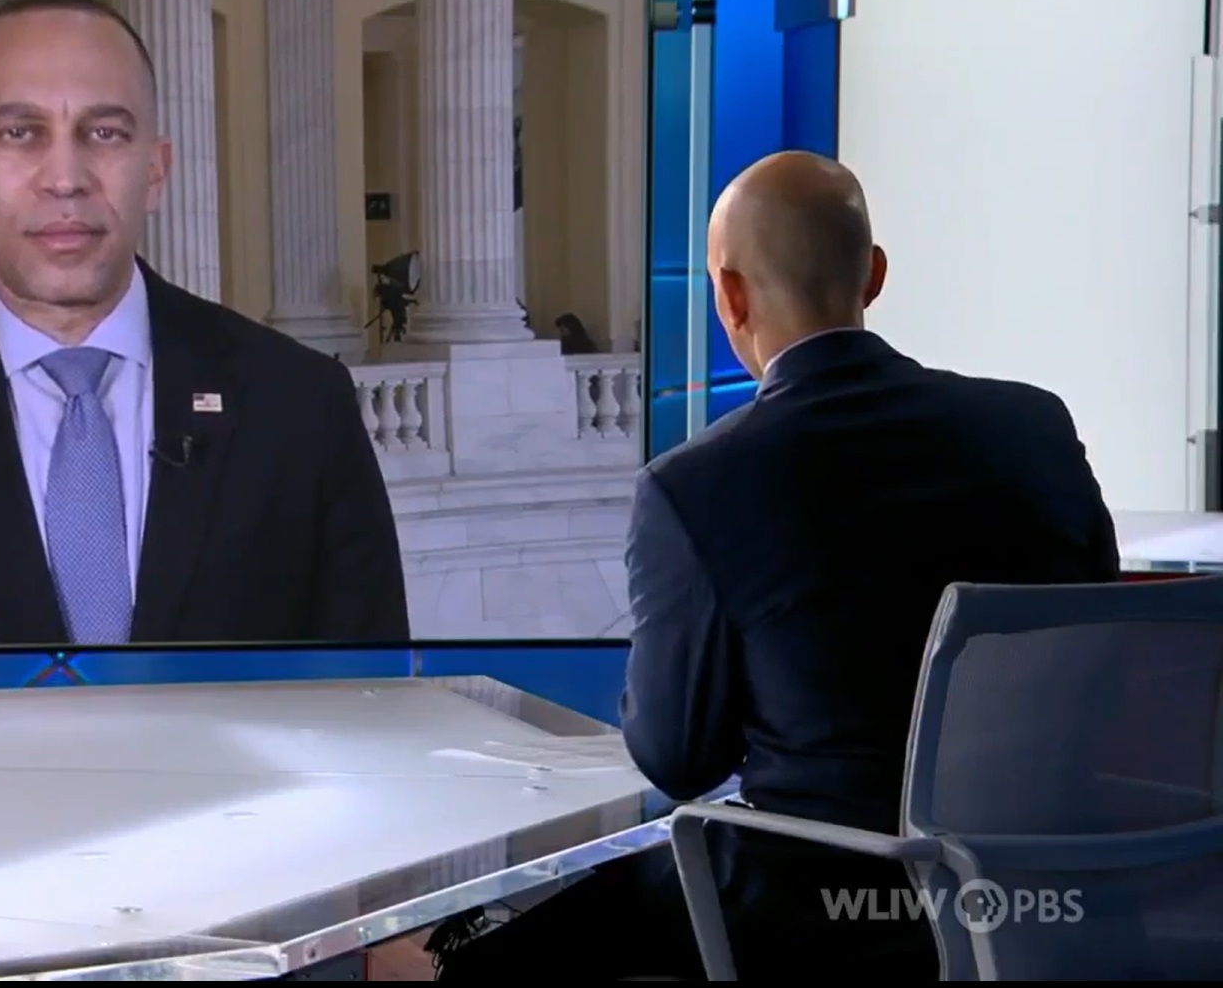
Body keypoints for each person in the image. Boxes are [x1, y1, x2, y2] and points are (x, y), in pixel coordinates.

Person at [433, 151, 1119, 979]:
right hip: (1042, 900)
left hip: (817, 910)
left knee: (487, 962)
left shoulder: (697, 486)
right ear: (874, 275)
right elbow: (1102, 646)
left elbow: (679, 759)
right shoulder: (1035, 428)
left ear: (729, 294)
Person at [0, 0, 409, 650]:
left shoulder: (300, 405)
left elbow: (373, 695)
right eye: (20, 132)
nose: (65, 179)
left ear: (156, 170)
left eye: (105, 133)